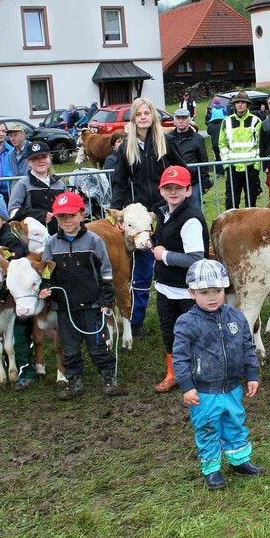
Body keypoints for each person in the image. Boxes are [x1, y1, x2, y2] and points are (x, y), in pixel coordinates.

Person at [171, 259, 261, 491]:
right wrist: (187, 386)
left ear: (225, 290)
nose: (212, 297)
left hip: (232, 387)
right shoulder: (186, 323)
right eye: (204, 292)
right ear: (192, 293)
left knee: (235, 423)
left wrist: (251, 374)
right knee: (208, 427)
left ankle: (239, 459)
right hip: (204, 391)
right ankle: (211, 469)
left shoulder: (236, 317)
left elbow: (247, 346)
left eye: (218, 291)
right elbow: (179, 357)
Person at [112, 97, 186, 338]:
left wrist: (183, 195)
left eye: (147, 113)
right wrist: (119, 213)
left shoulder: (166, 141)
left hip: (167, 209)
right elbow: (120, 183)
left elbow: (183, 170)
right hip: (142, 216)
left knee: (172, 260)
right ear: (133, 118)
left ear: (153, 116)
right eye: (139, 114)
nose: (143, 117)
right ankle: (136, 321)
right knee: (142, 269)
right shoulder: (126, 147)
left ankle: (182, 315)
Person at [37, 191, 119, 400]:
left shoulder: (94, 241)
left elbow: (106, 272)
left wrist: (106, 299)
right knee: (69, 348)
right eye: (62, 217)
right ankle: (74, 380)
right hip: (65, 308)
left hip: (92, 305)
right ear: (56, 218)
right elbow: (47, 271)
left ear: (82, 214)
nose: (67, 221)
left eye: (71, 215)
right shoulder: (51, 244)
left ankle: (109, 377)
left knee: (98, 345)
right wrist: (46, 287)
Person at [151, 166, 210, 393]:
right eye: (168, 188)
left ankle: (201, 373)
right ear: (161, 191)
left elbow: (196, 257)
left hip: (187, 289)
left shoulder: (191, 218)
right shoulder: (162, 213)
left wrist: (163, 255)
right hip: (166, 286)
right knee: (169, 331)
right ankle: (173, 373)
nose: (173, 192)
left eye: (178, 188)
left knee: (194, 332)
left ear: (188, 190)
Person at [0, 194, 37, 390]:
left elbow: (14, 273)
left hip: (18, 296)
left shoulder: (10, 241)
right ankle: (8, 364)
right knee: (7, 332)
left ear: (3, 219)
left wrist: (1, 297)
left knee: (19, 332)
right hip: (5, 295)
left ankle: (26, 372)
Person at [8, 141, 66, 235]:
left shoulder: (60, 184)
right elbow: (13, 212)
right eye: (35, 158)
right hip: (35, 239)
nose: (40, 161)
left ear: (50, 158)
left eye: (44, 157)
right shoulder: (22, 184)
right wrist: (39, 215)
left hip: (60, 235)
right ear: (28, 162)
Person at [220, 91, 263, 209]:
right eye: (237, 102)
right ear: (234, 105)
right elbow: (222, 144)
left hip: (250, 168)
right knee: (232, 203)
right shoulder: (226, 121)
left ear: (247, 104)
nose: (240, 105)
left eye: (242, 102)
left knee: (251, 202)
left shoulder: (256, 121)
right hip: (232, 167)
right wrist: (226, 164)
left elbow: (260, 145)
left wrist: (257, 165)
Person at [167, 108, 210, 213]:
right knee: (174, 212)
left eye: (184, 118)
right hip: (173, 183)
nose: (181, 121)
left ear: (190, 119)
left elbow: (203, 162)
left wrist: (205, 184)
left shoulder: (198, 139)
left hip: (193, 183)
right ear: (174, 119)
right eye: (178, 118)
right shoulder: (167, 138)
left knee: (195, 211)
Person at [206, 97, 226, 162]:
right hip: (223, 143)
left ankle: (218, 170)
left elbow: (208, 132)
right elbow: (226, 113)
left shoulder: (210, 123)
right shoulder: (224, 123)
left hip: (214, 143)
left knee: (217, 157)